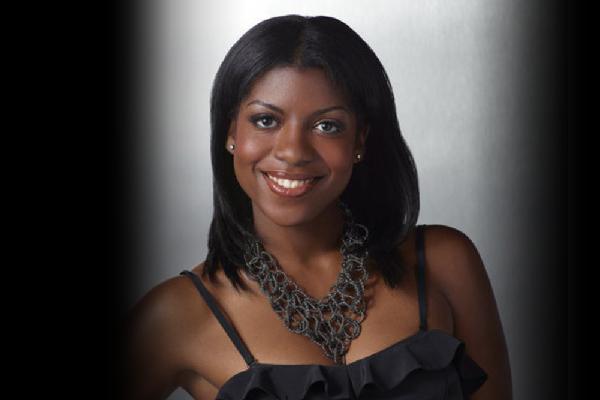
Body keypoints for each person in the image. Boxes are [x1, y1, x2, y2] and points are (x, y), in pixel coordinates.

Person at [122, 14, 512, 400]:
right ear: (231, 132)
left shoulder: (444, 262)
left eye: (327, 126)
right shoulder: (177, 315)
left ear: (360, 139)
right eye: (265, 120)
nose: (293, 152)